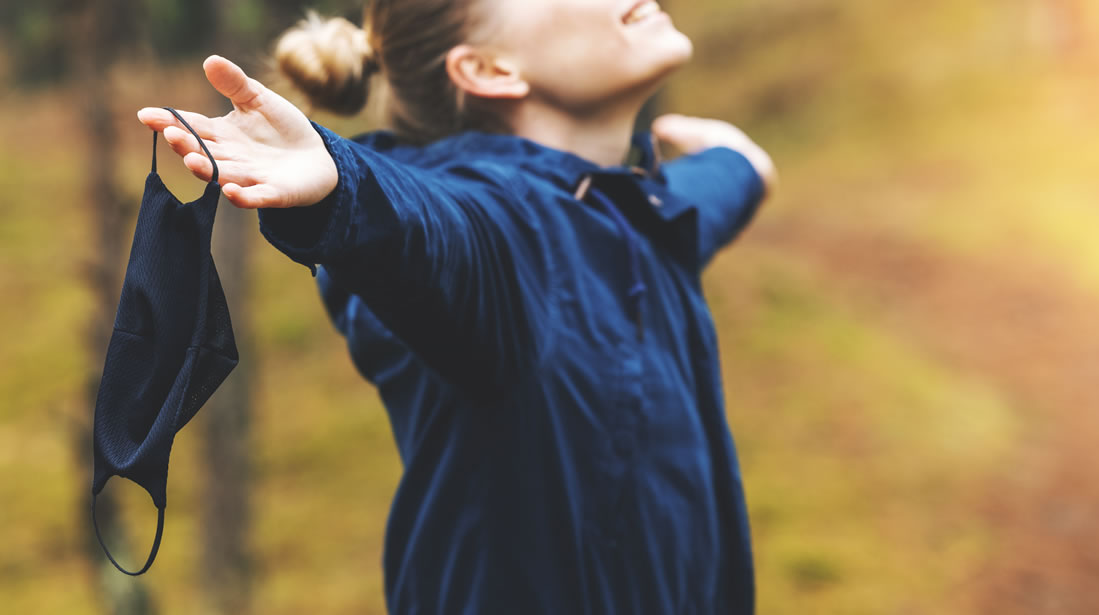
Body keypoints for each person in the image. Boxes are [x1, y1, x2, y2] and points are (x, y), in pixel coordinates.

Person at [137, 0, 775, 613]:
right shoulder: (496, 234)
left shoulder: (640, 216)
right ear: (489, 70)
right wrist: (339, 178)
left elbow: (695, 200)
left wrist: (742, 164)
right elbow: (427, 229)